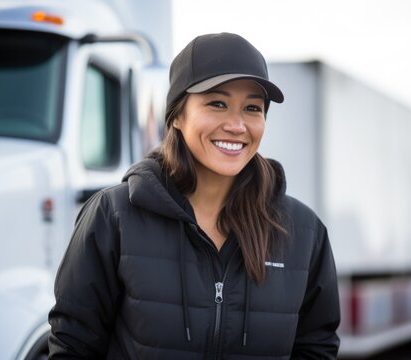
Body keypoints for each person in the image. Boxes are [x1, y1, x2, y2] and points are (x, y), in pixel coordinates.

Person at [48, 32, 340, 359]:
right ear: (176, 115)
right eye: (217, 103)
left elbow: (317, 347)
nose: (237, 125)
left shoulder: (303, 233)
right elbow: (73, 344)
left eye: (252, 108)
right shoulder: (113, 216)